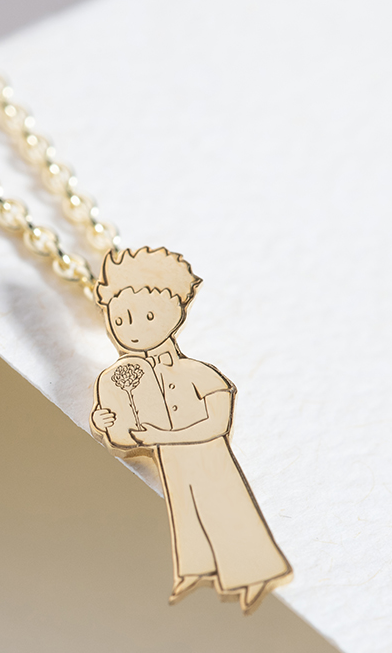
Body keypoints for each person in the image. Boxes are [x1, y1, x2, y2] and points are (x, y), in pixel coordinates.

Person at [90, 247, 292, 614]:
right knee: (185, 512)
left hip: (207, 456)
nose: (132, 329)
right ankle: (195, 569)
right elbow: (122, 434)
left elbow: (217, 424)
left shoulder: (200, 373)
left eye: (147, 316)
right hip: (171, 460)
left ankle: (257, 573)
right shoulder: (124, 379)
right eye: (121, 320)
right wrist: (103, 423)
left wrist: (162, 437)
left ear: (177, 310)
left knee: (226, 508)